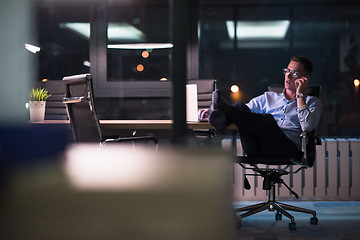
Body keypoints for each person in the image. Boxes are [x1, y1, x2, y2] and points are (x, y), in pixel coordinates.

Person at [203, 56, 322, 159]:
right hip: (257, 148)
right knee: (241, 106)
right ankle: (221, 113)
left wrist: (300, 95)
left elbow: (307, 127)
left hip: (288, 150)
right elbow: (242, 111)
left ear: (305, 78)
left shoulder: (312, 102)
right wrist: (210, 112)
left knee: (268, 120)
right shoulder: (268, 97)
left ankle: (223, 113)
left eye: (294, 73)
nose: (288, 75)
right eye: (287, 71)